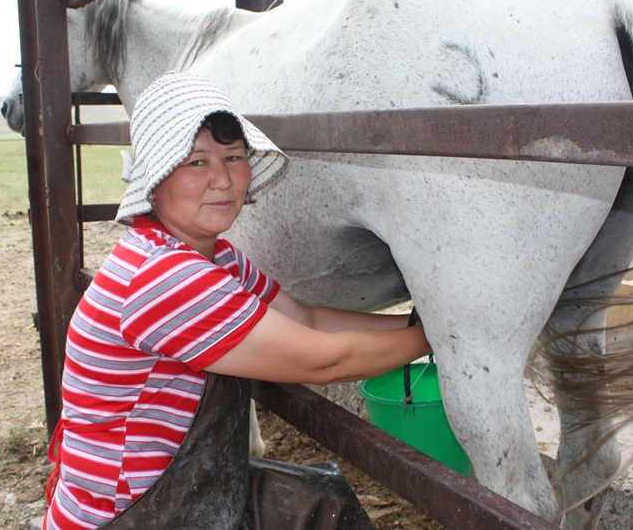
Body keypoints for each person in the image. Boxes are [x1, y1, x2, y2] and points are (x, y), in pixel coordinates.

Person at [43, 71, 432, 530]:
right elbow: (323, 360)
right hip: (129, 514)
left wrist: (419, 327)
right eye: (195, 162)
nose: (223, 180)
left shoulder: (216, 258)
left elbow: (306, 319)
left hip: (182, 490)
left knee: (323, 506)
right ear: (155, 179)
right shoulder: (164, 277)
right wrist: (439, 339)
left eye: (233, 156)